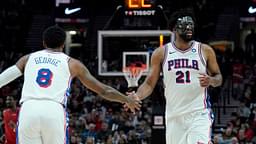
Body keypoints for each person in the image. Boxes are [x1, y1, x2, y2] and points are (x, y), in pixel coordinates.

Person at [0, 25, 141, 144]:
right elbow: (103, 91)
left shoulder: (27, 58)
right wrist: (127, 99)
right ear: (63, 44)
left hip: (28, 109)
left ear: (43, 43)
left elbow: (2, 79)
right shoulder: (72, 63)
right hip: (53, 110)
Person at [126, 9, 222, 144]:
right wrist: (137, 96)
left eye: (191, 26)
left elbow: (219, 78)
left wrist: (211, 80)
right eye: (185, 26)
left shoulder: (205, 50)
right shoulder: (161, 53)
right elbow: (149, 83)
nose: (189, 29)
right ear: (174, 29)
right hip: (174, 116)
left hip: (199, 113)